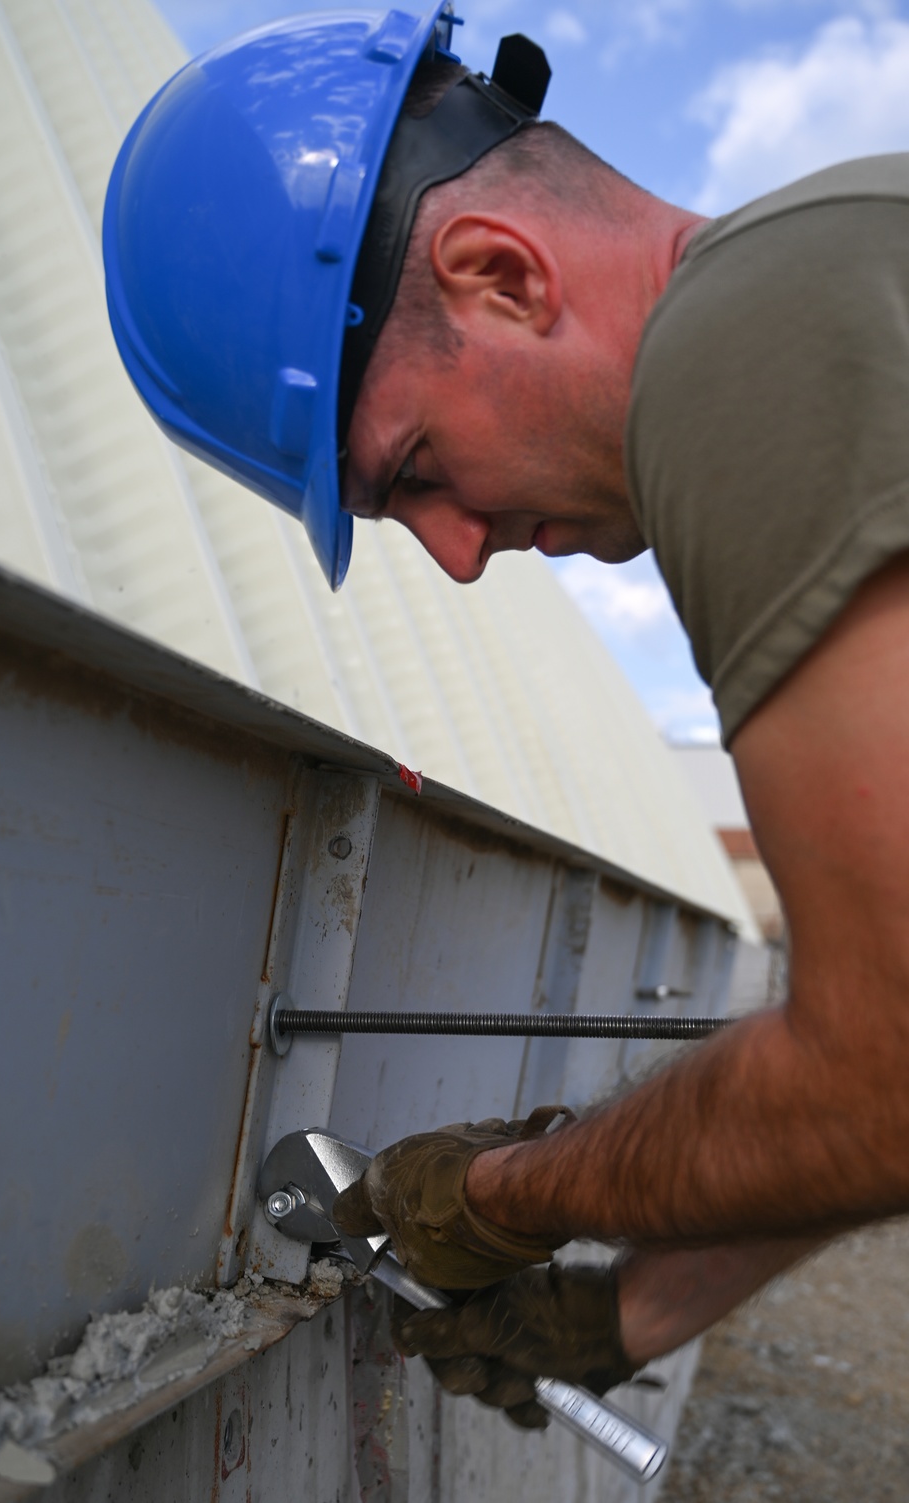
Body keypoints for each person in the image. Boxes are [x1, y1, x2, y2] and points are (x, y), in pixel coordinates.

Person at [103, 4, 909, 1430]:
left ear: (499, 277)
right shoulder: (847, 276)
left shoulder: (744, 340)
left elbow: (885, 1058)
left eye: (414, 468)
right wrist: (628, 1309)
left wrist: (496, 1197)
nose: (461, 551)